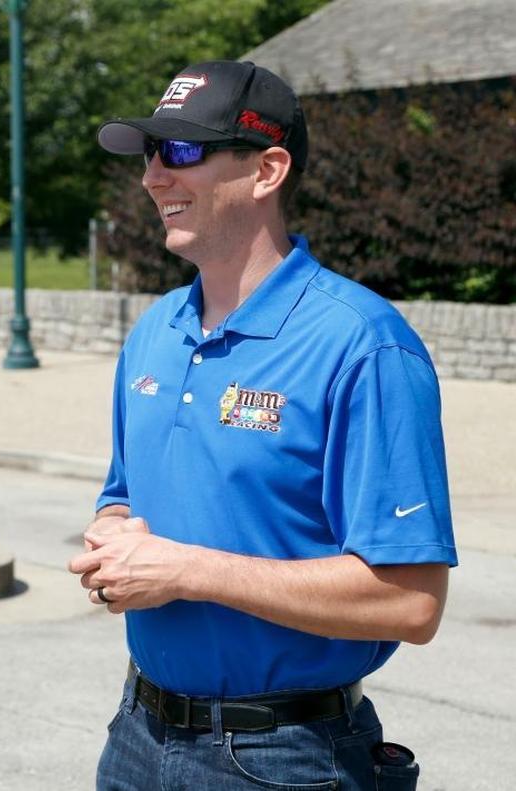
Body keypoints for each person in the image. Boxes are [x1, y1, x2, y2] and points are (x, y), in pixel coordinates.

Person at [68, 60, 456, 790]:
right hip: (136, 735)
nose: (154, 177)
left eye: (182, 151)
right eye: (150, 153)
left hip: (287, 754)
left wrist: (188, 570)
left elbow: (412, 599)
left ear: (267, 169)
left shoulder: (362, 343)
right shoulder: (154, 331)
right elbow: (122, 494)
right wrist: (113, 535)